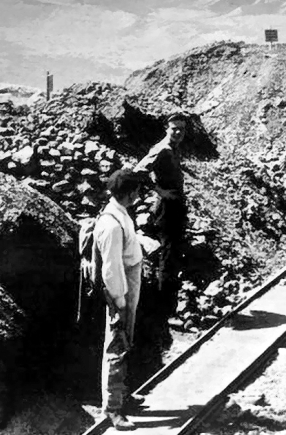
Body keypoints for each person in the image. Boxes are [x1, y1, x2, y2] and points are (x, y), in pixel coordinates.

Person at [94, 168, 144, 431]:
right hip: (120, 293)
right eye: (136, 191)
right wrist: (120, 302)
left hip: (128, 286)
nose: (139, 195)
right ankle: (112, 409)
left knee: (126, 342)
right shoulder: (112, 225)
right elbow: (111, 270)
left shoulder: (120, 213)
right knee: (117, 347)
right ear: (129, 193)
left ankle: (123, 395)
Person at [134, 113, 188, 294]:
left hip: (176, 203)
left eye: (182, 129)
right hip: (167, 206)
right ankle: (164, 296)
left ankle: (171, 290)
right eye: (174, 128)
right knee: (168, 250)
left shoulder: (174, 148)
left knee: (174, 248)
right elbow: (139, 171)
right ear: (167, 129)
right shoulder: (162, 149)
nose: (178, 132)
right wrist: (160, 191)